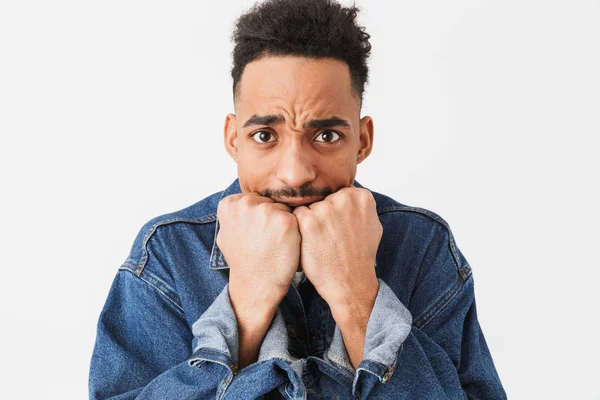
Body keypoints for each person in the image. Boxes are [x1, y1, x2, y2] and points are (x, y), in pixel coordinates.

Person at [89, 0, 507, 398]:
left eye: (326, 136)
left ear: (362, 141)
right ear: (234, 139)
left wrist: (356, 294)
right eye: (264, 136)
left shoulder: (420, 246)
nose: (295, 173)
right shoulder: (167, 253)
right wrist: (248, 303)